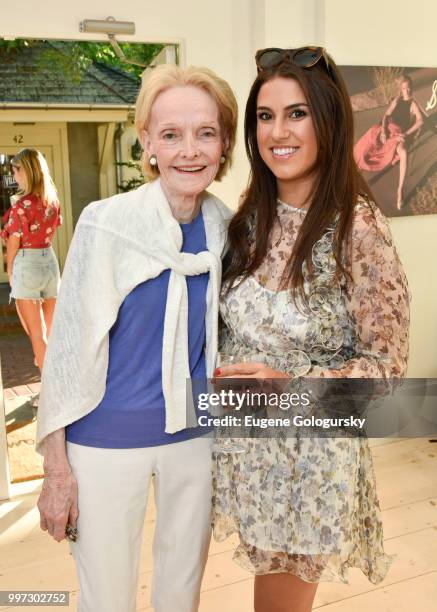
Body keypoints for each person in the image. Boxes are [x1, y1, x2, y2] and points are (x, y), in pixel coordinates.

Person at [212, 47, 410, 612]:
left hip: (308, 457)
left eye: (297, 114)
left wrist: (291, 383)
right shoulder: (252, 216)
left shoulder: (358, 227)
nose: (278, 131)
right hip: (245, 452)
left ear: (329, 120)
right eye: (265, 115)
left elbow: (387, 366)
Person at [36, 64, 238, 612]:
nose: (189, 151)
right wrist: (56, 470)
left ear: (224, 142)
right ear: (147, 141)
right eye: (171, 135)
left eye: (206, 133)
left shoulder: (227, 226)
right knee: (106, 596)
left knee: (182, 591)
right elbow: (68, 352)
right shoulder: (106, 223)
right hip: (103, 442)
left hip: (194, 439)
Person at [0, 148, 62, 372]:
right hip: (50, 264)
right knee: (49, 335)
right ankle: (51, 384)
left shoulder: (19, 207)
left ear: (23, 172)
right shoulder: (52, 203)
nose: (13, 176)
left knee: (37, 335)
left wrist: (10, 268)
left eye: (14, 171)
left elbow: (14, 244)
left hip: (27, 265)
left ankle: (49, 393)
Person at [354, 75, 423, 209]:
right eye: (404, 88)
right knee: (367, 145)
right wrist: (384, 131)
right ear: (401, 89)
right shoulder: (397, 100)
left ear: (411, 88)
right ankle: (355, 178)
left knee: (403, 152)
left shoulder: (413, 104)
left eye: (409, 88)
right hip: (386, 129)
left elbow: (420, 121)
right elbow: (386, 115)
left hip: (398, 134)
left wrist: (406, 133)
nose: (407, 91)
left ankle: (400, 190)